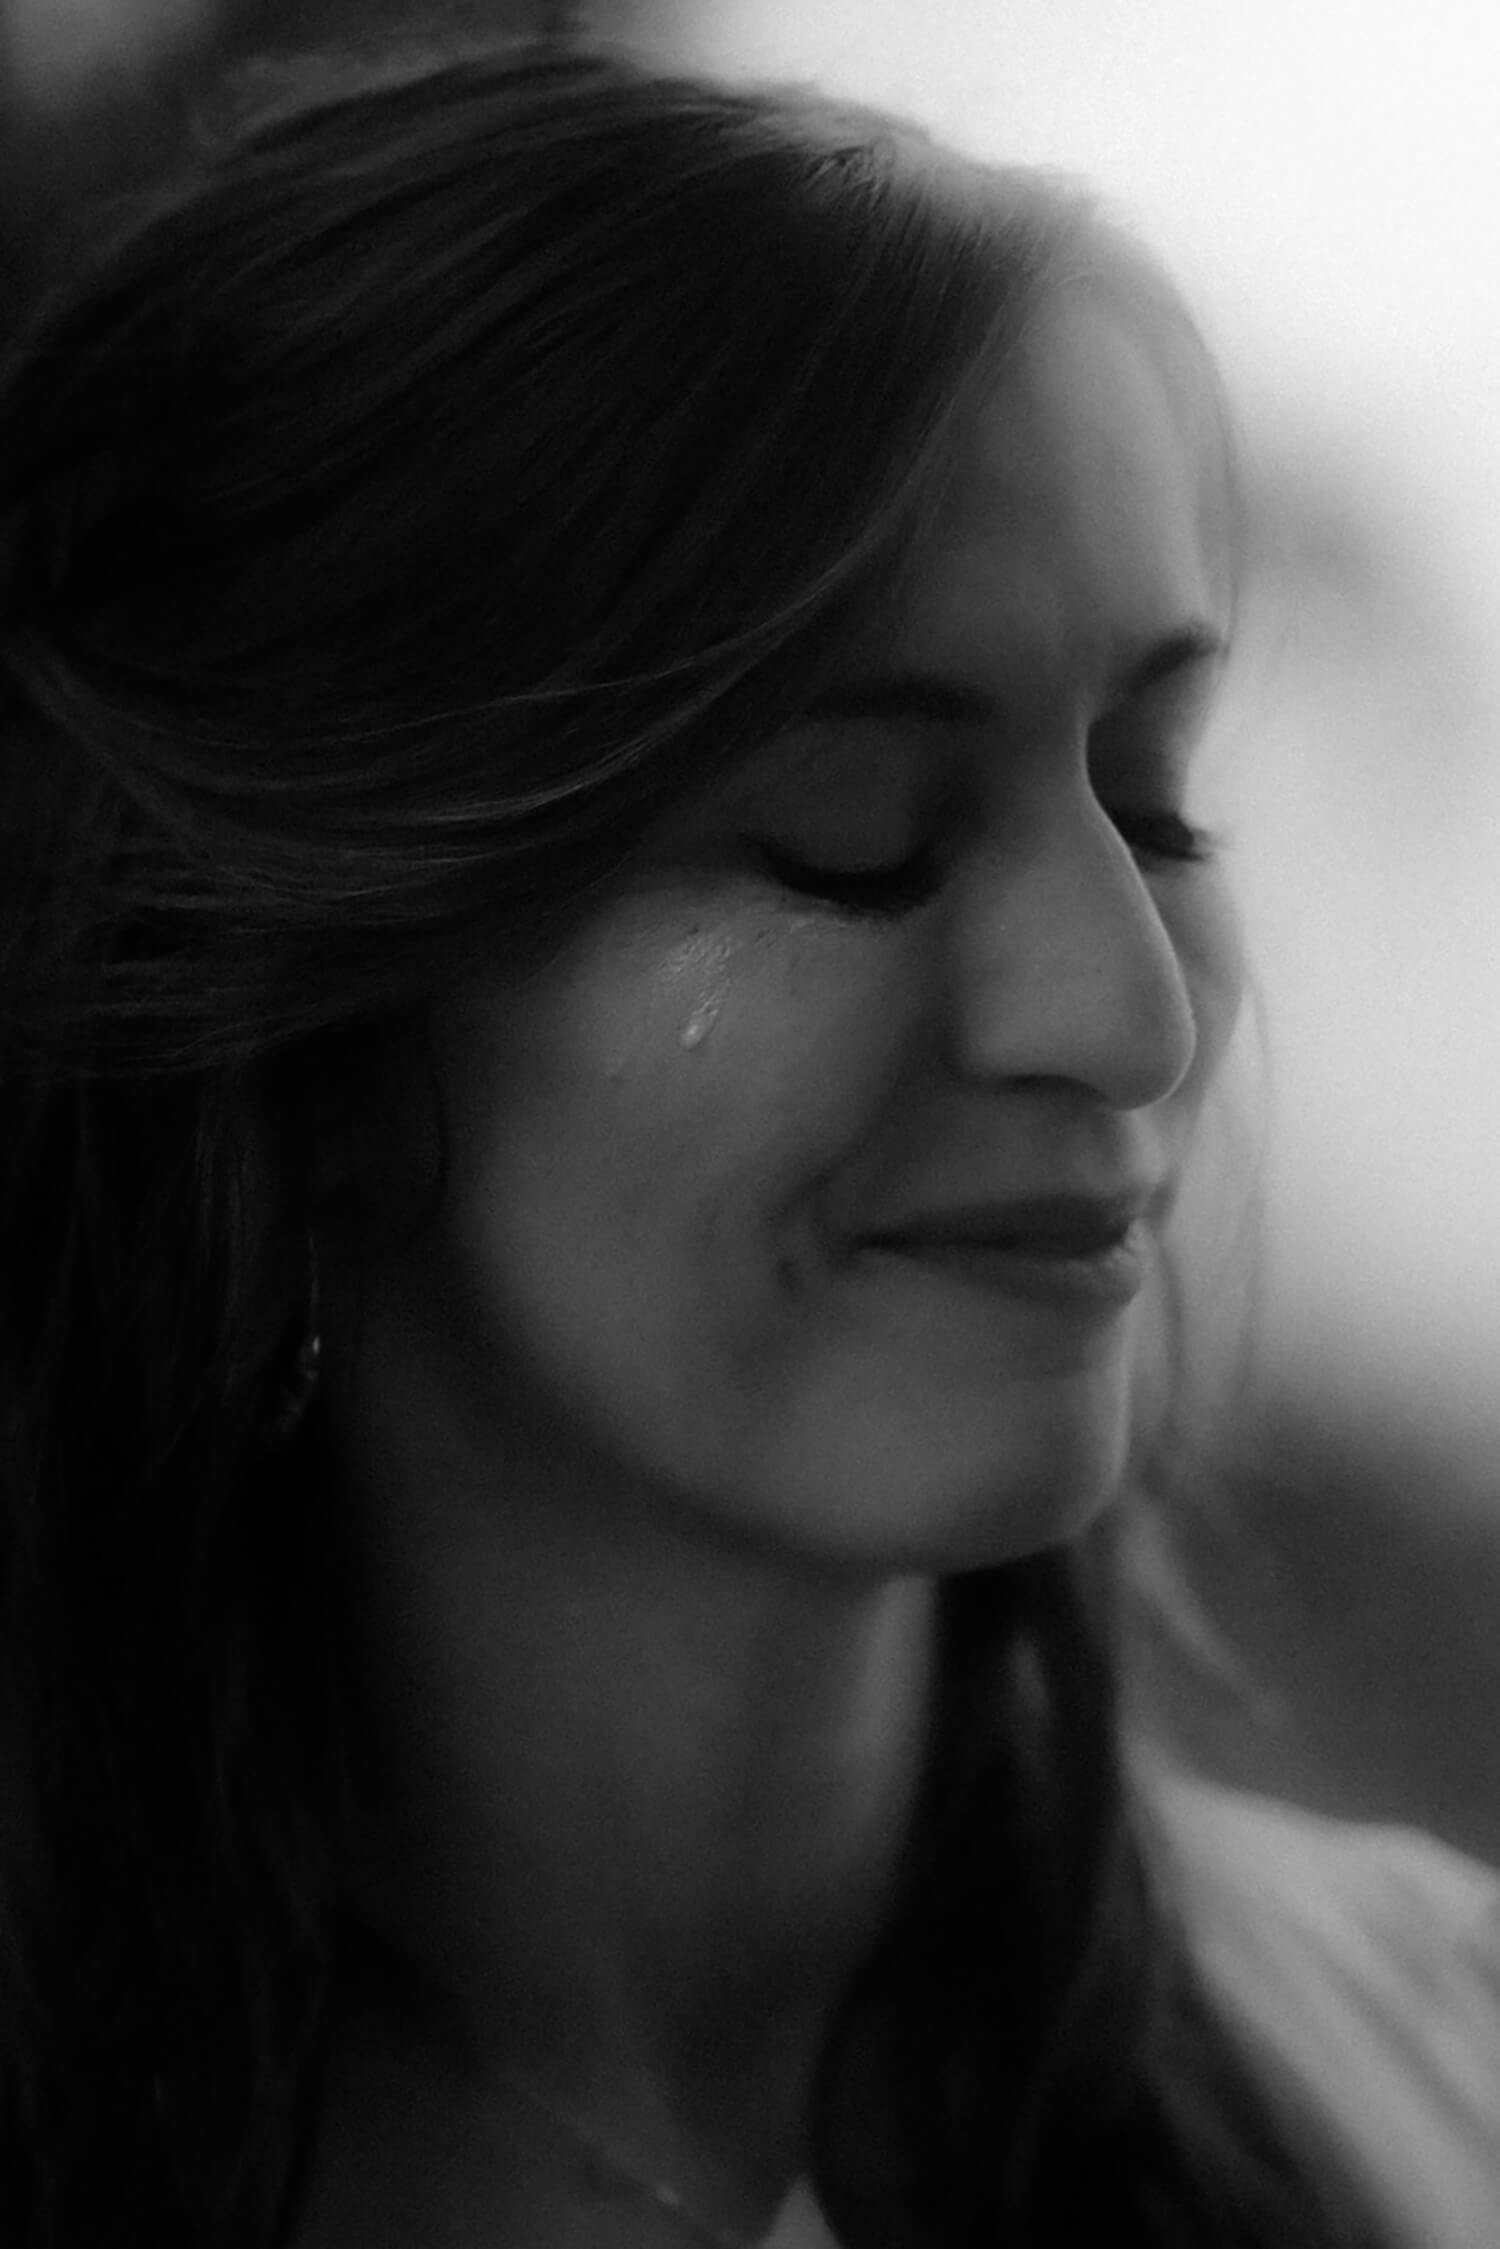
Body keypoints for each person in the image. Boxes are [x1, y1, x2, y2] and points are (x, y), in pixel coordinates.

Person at [0, 30, 1485, 2249]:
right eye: (850, 839)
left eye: (1154, 798)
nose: (1133, 1014)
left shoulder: (1437, 2057)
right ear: (297, 1037)